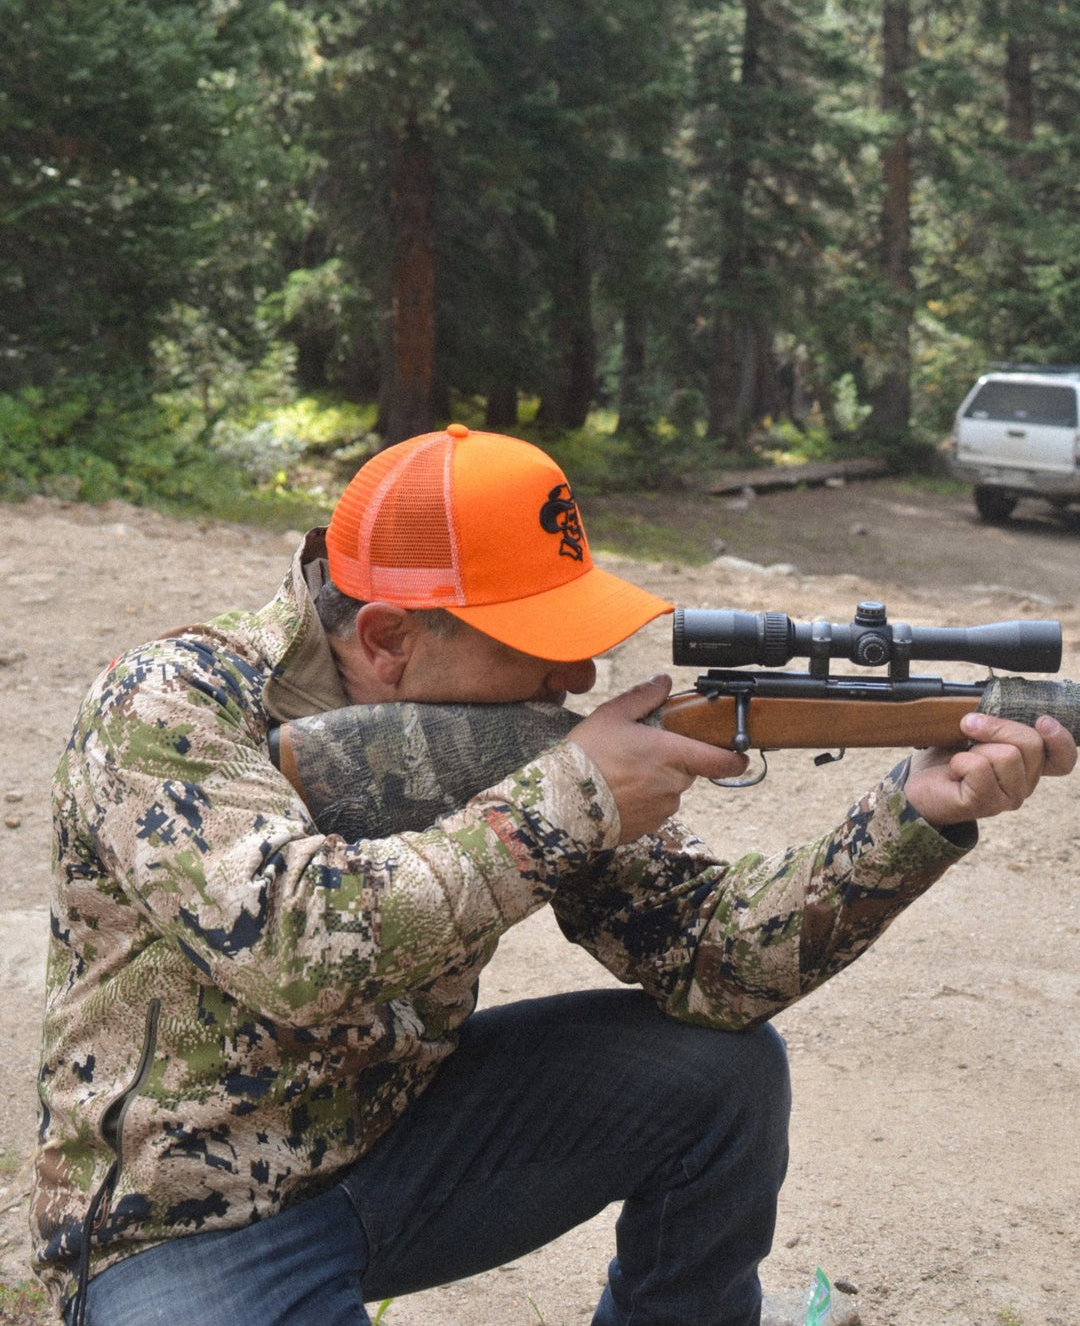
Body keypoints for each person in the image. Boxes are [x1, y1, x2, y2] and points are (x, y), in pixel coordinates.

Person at [31, 424, 1075, 1326]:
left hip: (402, 1143)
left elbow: (721, 960)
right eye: (536, 642)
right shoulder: (168, 703)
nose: (576, 677)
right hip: (184, 1216)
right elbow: (298, 949)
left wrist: (915, 814)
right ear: (391, 640)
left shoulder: (517, 745)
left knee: (722, 1076)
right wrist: (573, 796)